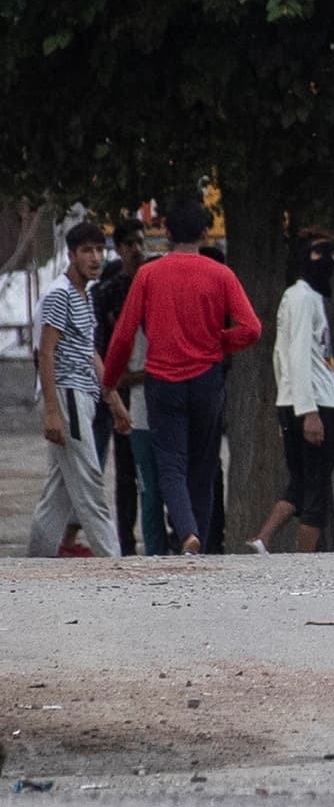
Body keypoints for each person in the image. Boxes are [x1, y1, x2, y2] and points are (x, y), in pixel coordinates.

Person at [102, 198, 261, 555]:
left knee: (170, 462)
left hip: (162, 381)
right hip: (207, 379)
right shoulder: (221, 274)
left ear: (168, 233)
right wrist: (220, 343)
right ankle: (198, 542)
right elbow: (251, 328)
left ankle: (185, 531)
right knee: (203, 466)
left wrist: (110, 380)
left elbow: (124, 334)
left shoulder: (148, 275)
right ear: (205, 233)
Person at [30, 223, 130, 557]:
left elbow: (89, 351)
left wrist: (113, 399)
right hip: (68, 394)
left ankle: (35, 563)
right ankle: (114, 562)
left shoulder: (83, 294)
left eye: (100, 250)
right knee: (90, 485)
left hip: (83, 396)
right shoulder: (60, 294)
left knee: (58, 493)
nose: (96, 258)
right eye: (87, 251)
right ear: (71, 255)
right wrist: (53, 410)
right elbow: (46, 352)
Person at [249, 231, 334, 553]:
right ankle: (306, 563)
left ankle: (263, 538)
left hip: (296, 400)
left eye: (330, 254)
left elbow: (283, 356)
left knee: (301, 481)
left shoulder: (301, 297)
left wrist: (288, 401)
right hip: (316, 403)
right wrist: (309, 411)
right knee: (316, 488)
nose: (327, 262)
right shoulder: (303, 298)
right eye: (318, 255)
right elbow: (298, 354)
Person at [93, 218, 166, 555]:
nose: (137, 249)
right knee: (126, 473)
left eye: (141, 243)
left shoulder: (156, 285)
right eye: (130, 244)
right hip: (122, 389)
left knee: (159, 469)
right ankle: (125, 541)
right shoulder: (110, 292)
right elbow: (103, 345)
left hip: (157, 388)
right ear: (120, 249)